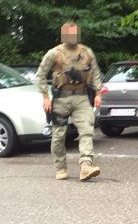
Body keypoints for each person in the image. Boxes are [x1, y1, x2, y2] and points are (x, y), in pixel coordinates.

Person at [36, 22, 102, 181]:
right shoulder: (54, 53)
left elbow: (95, 73)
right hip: (61, 98)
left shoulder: (87, 52)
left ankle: (86, 166)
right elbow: (40, 75)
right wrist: (45, 97)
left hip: (81, 97)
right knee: (58, 135)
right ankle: (60, 168)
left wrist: (98, 93)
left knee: (86, 130)